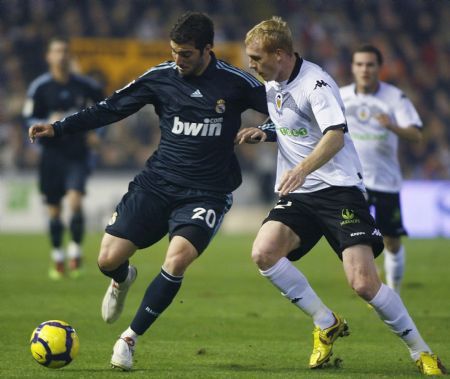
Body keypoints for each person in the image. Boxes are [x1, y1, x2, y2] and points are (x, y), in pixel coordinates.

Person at [29, 12, 268, 371]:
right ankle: (123, 279)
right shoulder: (160, 77)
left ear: (207, 50)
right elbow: (110, 109)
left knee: (176, 260)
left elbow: (284, 111)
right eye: (173, 51)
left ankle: (129, 339)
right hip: (157, 184)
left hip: (206, 192)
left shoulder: (235, 83)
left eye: (185, 53)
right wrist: (60, 128)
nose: (177, 60)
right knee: (107, 260)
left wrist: (267, 130)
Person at [237, 16, 446, 376]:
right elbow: (294, 125)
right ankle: (325, 321)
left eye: (256, 58)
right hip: (301, 194)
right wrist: (265, 132)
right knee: (264, 253)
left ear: (281, 54)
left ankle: (420, 351)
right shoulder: (273, 84)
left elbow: (334, 135)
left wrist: (302, 168)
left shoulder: (316, 84)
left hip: (339, 189)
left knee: (363, 283)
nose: (251, 65)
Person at [340, 45, 423, 294]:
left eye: (370, 64)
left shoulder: (394, 97)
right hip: (353, 182)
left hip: (386, 181)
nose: (365, 69)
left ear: (379, 67)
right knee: (357, 239)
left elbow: (416, 135)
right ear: (353, 68)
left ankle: (394, 290)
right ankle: (371, 288)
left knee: (392, 242)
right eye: (360, 64)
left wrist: (393, 126)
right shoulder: (340, 95)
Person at [23, 37, 105, 280]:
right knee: (54, 211)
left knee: (76, 202)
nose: (61, 55)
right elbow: (28, 118)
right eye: (56, 51)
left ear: (70, 56)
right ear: (48, 57)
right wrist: (40, 124)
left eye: (65, 51)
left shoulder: (86, 86)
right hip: (51, 155)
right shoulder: (39, 87)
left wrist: (96, 134)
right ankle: (58, 256)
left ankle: (75, 252)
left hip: (77, 154)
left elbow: (106, 111)